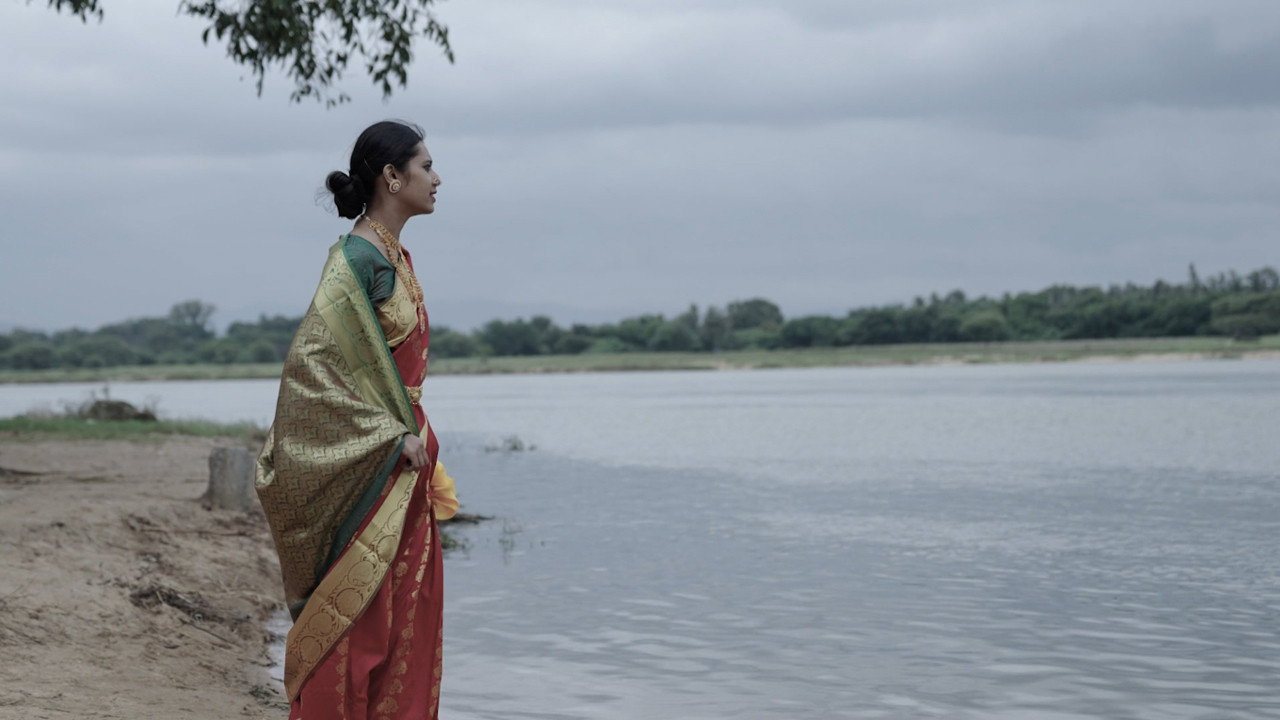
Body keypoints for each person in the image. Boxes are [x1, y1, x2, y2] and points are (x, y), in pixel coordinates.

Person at [256, 119, 459, 719]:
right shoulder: (355, 260)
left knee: (403, 620)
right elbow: (313, 371)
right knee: (358, 626)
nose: (437, 178)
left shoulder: (395, 255)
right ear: (392, 176)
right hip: (375, 467)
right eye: (426, 167)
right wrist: (391, 436)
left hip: (407, 463)